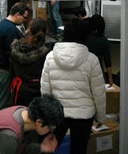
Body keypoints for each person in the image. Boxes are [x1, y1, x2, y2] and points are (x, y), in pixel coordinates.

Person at [41, 18, 106, 154]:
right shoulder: (91, 59)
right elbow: (99, 93)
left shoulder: (50, 57)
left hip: (58, 113)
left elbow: (45, 90)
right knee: (79, 149)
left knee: (52, 147)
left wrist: (47, 116)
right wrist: (101, 117)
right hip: (83, 115)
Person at [0, 2, 29, 113]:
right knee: (2, 104)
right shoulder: (11, 30)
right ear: (17, 14)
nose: (25, 20)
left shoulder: (2, 24)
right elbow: (12, 54)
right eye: (24, 17)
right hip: (2, 71)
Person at [10, 17, 50, 106]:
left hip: (19, 90)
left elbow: (11, 71)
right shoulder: (45, 53)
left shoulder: (16, 47)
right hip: (37, 92)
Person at [86, 14, 113, 86]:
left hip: (84, 70)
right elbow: (107, 61)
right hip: (98, 70)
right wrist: (110, 78)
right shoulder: (104, 40)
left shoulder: (85, 38)